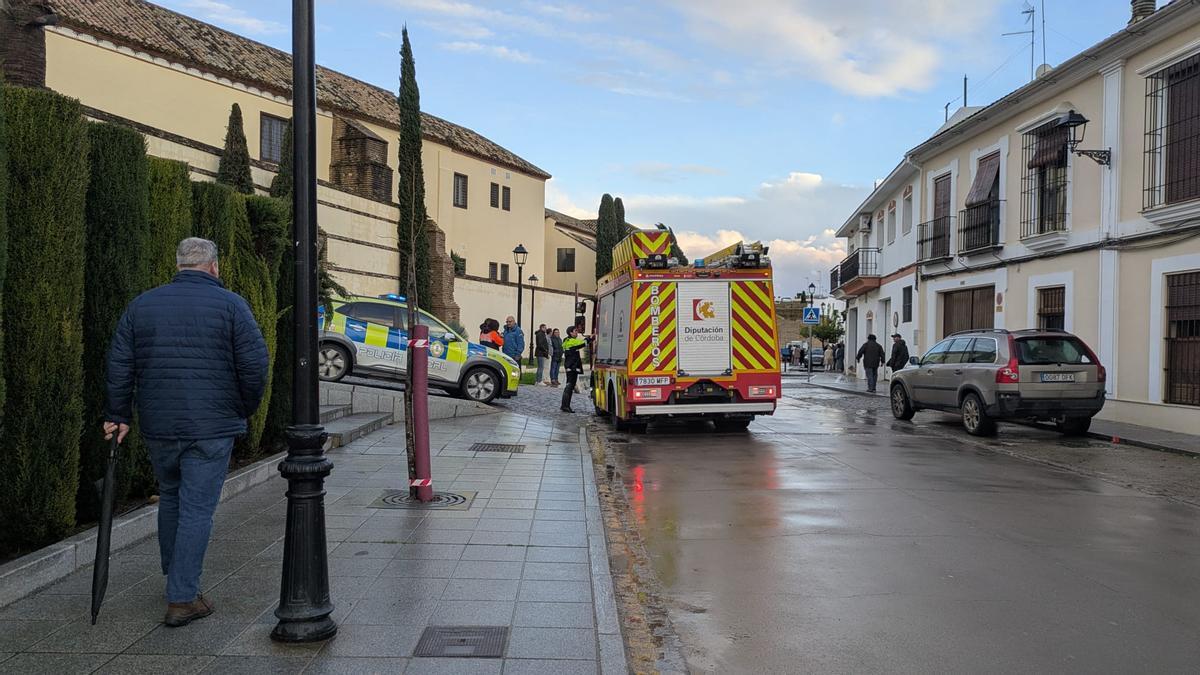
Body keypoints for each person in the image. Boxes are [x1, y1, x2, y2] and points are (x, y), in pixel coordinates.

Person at [104, 238, 268, 628]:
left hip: (161, 424)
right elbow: (255, 366)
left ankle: (175, 574)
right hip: (211, 427)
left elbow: (119, 363)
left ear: (178, 265)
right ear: (213, 266)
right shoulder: (231, 306)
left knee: (173, 498)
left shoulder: (142, 305)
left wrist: (118, 413)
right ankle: (182, 597)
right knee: (197, 508)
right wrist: (241, 409)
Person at [560, 326, 592, 412]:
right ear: (570, 332)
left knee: (569, 385)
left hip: (569, 366)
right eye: (575, 331)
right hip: (572, 366)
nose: (576, 333)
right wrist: (590, 338)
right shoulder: (571, 341)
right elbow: (582, 343)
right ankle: (565, 406)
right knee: (570, 386)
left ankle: (564, 405)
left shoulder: (566, 340)